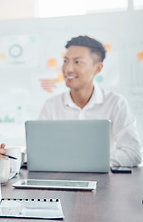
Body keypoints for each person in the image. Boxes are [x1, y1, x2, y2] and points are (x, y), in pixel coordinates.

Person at [38, 35, 142, 167]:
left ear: (98, 68)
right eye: (65, 61)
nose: (68, 69)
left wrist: (92, 163)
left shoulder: (116, 103)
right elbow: (40, 151)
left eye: (77, 62)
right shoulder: (51, 105)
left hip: (104, 182)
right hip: (61, 179)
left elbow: (133, 154)